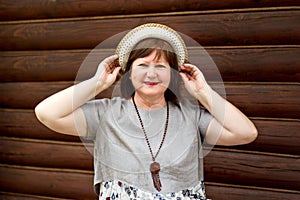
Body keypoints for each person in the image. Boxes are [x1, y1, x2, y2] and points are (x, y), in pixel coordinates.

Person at [35, 23, 258, 200]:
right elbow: (46, 113)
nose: (151, 74)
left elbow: (245, 133)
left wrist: (203, 92)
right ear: (129, 73)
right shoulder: (106, 114)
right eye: (142, 65)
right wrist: (98, 83)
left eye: (161, 67)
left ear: (172, 75)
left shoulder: (190, 116)